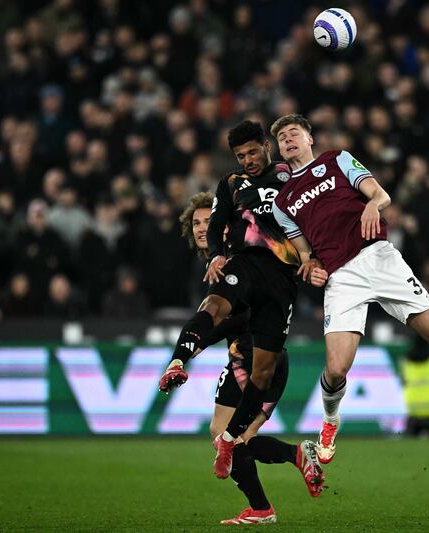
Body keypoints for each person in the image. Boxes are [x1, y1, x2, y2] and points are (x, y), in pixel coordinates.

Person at [270, 114, 429, 464]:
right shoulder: (282, 202)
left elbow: (380, 194)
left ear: (309, 138)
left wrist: (373, 205)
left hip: (380, 258)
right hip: (342, 277)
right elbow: (305, 254)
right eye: (281, 137)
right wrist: (310, 267)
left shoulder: (337, 160)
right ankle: (330, 421)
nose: (288, 139)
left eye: (294, 133)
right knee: (337, 368)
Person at [157, 121, 302, 480]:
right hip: (246, 267)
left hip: (280, 282)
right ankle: (177, 361)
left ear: (266, 146)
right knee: (213, 305)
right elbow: (219, 220)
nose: (248, 160)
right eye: (241, 156)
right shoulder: (232, 184)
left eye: (253, 152)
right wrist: (218, 255)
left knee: (256, 390)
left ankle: (277, 457)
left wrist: (314, 259)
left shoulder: (290, 175)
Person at [169, 192, 324, 525]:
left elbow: (245, 314)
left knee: (224, 435)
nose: (201, 228)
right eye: (196, 223)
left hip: (251, 358)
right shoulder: (221, 261)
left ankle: (263, 506)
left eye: (208, 221)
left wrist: (200, 342)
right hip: (270, 358)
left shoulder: (239, 260)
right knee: (239, 439)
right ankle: (294, 458)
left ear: (226, 225)